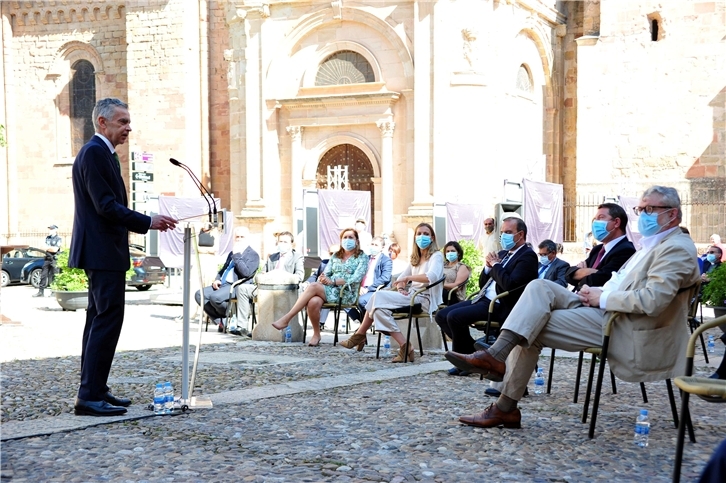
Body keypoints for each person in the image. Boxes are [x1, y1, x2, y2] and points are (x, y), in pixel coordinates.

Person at [446, 186, 700, 429]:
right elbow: (607, 279)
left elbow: (652, 300)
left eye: (649, 210)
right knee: (538, 287)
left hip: (624, 323)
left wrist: (602, 297)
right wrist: (597, 291)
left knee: (530, 327)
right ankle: (497, 359)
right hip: (604, 306)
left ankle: (504, 402)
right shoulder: (650, 244)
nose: (642, 215)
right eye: (640, 210)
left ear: (672, 213)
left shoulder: (676, 248)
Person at [69, 98, 177, 417]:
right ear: (102, 122)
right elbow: (105, 205)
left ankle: (96, 389)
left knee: (98, 319)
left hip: (103, 251)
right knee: (107, 320)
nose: (128, 127)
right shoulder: (94, 152)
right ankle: (89, 395)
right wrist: (147, 221)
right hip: (102, 251)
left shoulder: (104, 153)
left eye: (129, 122)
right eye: (122, 122)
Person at [435, 217, 538, 375]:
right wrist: (488, 268)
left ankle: (466, 363)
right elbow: (483, 283)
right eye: (502, 232)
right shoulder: (503, 254)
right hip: (482, 298)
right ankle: (472, 355)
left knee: (454, 317)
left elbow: (510, 285)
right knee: (442, 315)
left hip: (499, 304)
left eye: (509, 232)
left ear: (521, 234)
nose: (504, 236)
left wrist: (496, 266)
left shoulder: (527, 256)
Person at [339, 222, 444, 362]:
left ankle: (359, 334)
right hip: (411, 296)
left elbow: (432, 277)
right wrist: (401, 288)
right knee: (378, 310)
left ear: (432, 238)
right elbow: (400, 280)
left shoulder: (436, 256)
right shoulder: (416, 257)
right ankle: (406, 347)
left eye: (426, 234)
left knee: (377, 295)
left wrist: (409, 278)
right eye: (419, 234)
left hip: (423, 298)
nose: (421, 237)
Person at [272, 228, 368, 347]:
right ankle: (316, 334)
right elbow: (326, 273)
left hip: (347, 293)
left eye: (351, 238)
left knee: (313, 286)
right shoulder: (336, 256)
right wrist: (323, 278)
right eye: (345, 237)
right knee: (313, 301)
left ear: (357, 241)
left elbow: (356, 278)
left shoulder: (362, 257)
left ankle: (287, 318)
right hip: (329, 290)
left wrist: (333, 282)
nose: (347, 240)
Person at [233, 231, 304, 335]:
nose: (282, 244)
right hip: (266, 289)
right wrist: (261, 277)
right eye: (280, 241)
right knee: (242, 288)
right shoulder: (272, 257)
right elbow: (262, 273)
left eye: (285, 242)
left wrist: (282, 277)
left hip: (285, 290)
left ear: (291, 244)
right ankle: (242, 327)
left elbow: (299, 276)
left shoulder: (297, 257)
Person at [195, 226, 260, 331]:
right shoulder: (232, 253)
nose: (239, 239)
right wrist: (217, 279)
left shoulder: (253, 255)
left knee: (215, 298)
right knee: (199, 295)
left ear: (248, 238)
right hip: (223, 284)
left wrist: (237, 255)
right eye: (237, 237)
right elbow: (223, 269)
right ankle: (221, 321)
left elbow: (246, 273)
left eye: (242, 237)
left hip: (236, 286)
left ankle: (229, 315)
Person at [565, 203, 636, 291]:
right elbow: (568, 274)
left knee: (544, 286)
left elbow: (601, 280)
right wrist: (591, 272)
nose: (595, 222)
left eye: (601, 217)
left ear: (616, 222)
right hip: (578, 295)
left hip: (593, 301)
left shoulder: (626, 250)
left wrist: (581, 274)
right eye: (595, 219)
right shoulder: (597, 249)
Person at [347, 236, 392, 322]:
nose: (373, 247)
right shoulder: (364, 258)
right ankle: (361, 320)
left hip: (374, 290)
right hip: (360, 289)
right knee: (341, 298)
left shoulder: (386, 260)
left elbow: (385, 278)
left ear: (382, 248)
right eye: (372, 244)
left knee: (361, 301)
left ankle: (364, 324)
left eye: (376, 245)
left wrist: (368, 289)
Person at [33, 224, 62, 297]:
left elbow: (55, 249)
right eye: (49, 229)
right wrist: (49, 248)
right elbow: (42, 247)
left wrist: (47, 248)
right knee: (43, 275)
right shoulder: (47, 238)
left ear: (55, 230)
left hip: (54, 259)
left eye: (51, 229)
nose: (50, 230)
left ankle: (54, 292)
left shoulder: (58, 239)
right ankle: (40, 292)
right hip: (47, 258)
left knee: (54, 275)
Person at [442, 241, 471, 305]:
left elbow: (457, 287)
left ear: (459, 253)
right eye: (448, 251)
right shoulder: (442, 265)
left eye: (452, 251)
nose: (450, 253)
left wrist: (440, 285)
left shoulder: (462, 267)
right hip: (439, 293)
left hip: (452, 296)